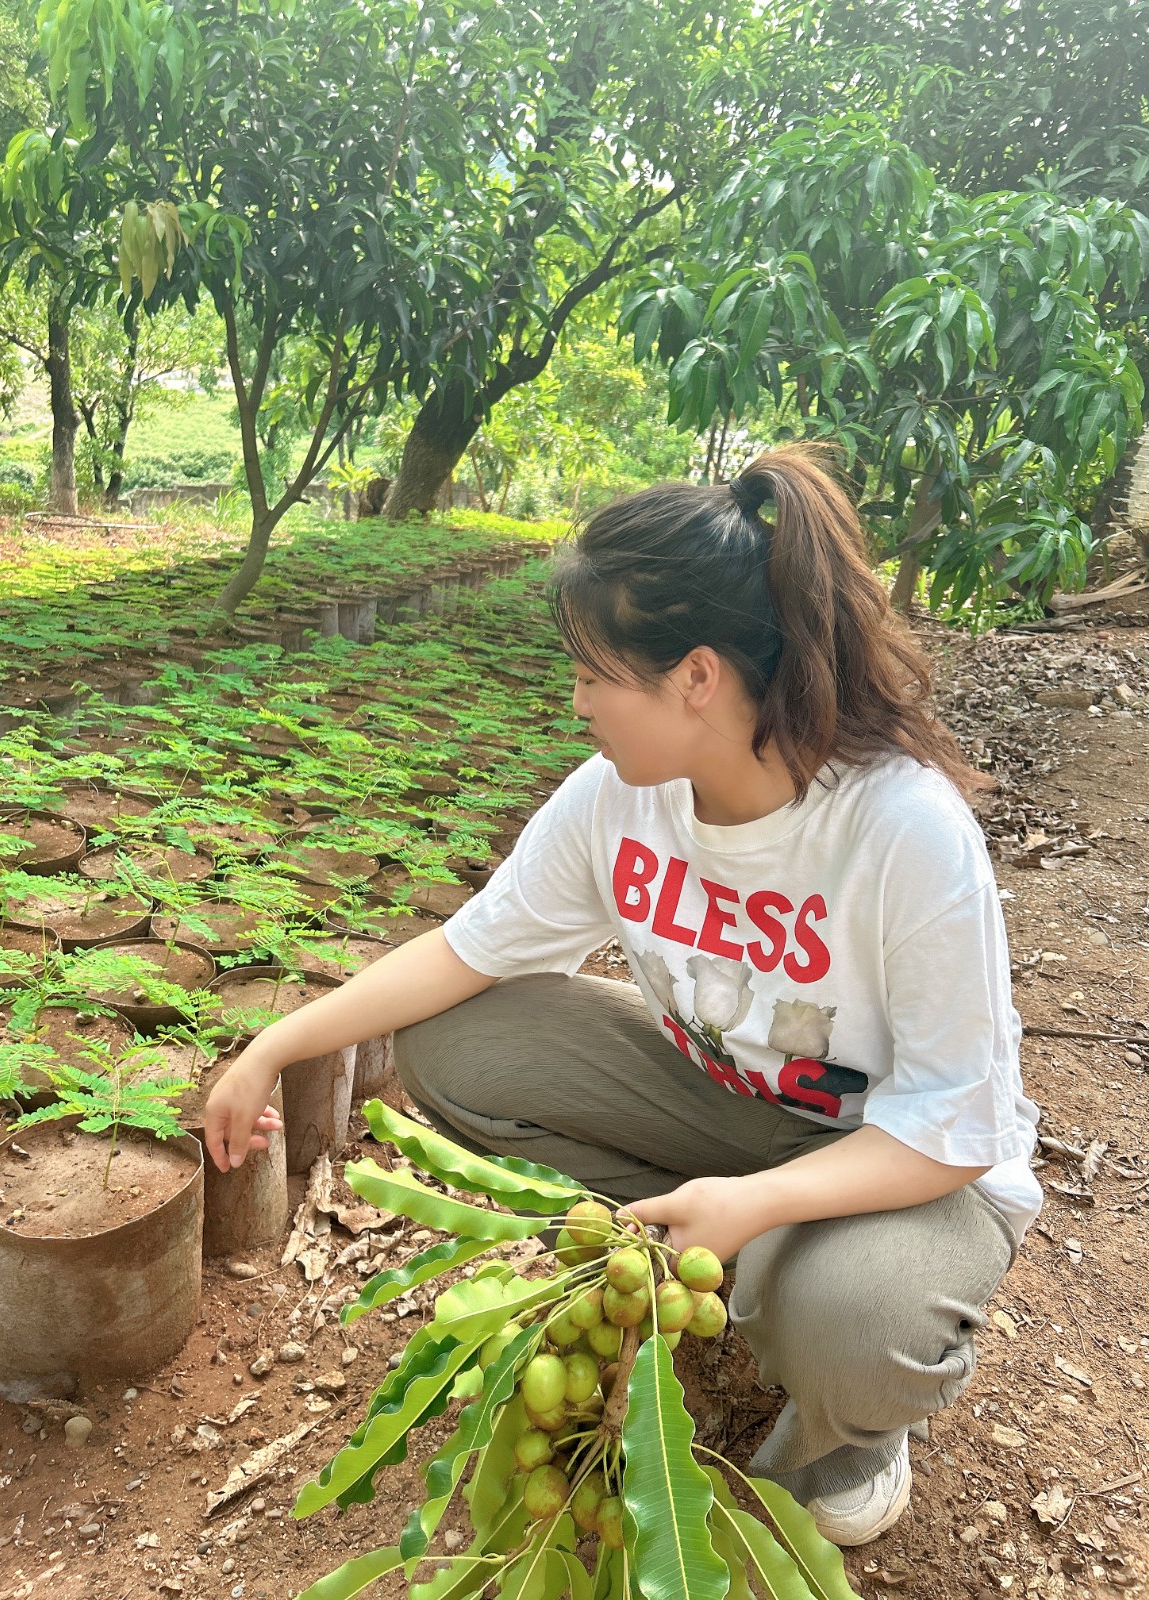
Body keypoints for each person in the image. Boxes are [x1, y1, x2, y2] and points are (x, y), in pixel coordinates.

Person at [204, 446, 1041, 1547]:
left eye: (596, 673)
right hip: (738, 1109)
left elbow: (955, 1123)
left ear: (696, 676)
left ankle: (843, 1432)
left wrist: (752, 1206)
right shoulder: (619, 802)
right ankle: (731, 1254)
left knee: (856, 1322)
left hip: (903, 1164)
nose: (577, 700)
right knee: (456, 1041)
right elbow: (469, 950)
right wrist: (276, 1044)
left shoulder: (899, 828)